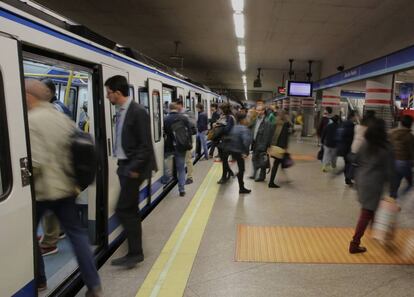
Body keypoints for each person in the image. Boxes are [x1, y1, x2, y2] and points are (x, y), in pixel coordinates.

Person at [25, 79, 102, 296]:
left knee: (26, 236)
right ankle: (94, 284)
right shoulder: (62, 117)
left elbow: (36, 162)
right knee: (77, 236)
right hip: (67, 188)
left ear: (29, 97)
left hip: (42, 192)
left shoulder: (31, 121)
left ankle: (39, 281)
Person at [105, 75, 157, 268]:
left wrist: (133, 169)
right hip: (124, 166)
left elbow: (145, 145)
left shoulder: (137, 111)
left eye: (109, 93)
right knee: (130, 210)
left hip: (133, 169)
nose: (107, 96)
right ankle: (135, 251)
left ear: (118, 93)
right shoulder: (122, 110)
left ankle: (135, 253)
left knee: (123, 209)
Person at [349, 118, 395, 254]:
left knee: (370, 209)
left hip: (361, 180)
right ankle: (354, 244)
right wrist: (392, 189)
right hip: (374, 184)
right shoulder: (386, 148)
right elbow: (389, 170)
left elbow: (355, 159)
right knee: (366, 212)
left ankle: (375, 230)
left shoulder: (365, 143)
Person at [164, 102, 192, 196]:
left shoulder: (165, 119)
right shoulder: (184, 118)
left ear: (169, 109)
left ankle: (167, 177)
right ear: (177, 109)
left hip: (169, 147)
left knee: (165, 163)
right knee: (181, 169)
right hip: (181, 147)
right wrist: (189, 144)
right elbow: (189, 132)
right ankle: (182, 190)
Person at [224, 112, 252, 193]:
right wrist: (246, 152)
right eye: (246, 118)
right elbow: (246, 141)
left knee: (241, 169)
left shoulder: (234, 127)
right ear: (243, 120)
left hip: (233, 150)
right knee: (242, 169)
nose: (247, 119)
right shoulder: (244, 129)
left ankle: (241, 185)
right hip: (239, 151)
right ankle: (241, 187)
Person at [389, 115, 414, 198]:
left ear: (401, 123)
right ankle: (401, 198)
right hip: (404, 162)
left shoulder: (393, 133)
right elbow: (412, 151)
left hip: (393, 161)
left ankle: (392, 198)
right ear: (410, 124)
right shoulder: (410, 136)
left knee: (395, 183)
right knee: (411, 183)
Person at [250, 105, 274, 182]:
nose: (258, 112)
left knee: (262, 160)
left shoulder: (267, 122)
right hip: (255, 143)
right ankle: (254, 174)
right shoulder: (256, 120)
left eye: (260, 110)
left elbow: (267, 136)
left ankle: (261, 176)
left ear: (263, 111)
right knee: (254, 159)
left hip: (261, 144)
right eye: (257, 110)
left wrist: (264, 146)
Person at [268, 110, 290, 188]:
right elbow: (285, 137)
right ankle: (271, 182)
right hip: (280, 148)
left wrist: (270, 145)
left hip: (274, 146)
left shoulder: (275, 123)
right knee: (277, 164)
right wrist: (285, 147)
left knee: (279, 163)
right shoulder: (285, 124)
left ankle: (286, 179)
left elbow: (271, 135)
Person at [176, 100, 196, 184]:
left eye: (177, 106)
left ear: (180, 105)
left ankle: (190, 177)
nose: (176, 108)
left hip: (187, 140)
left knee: (188, 159)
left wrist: (183, 118)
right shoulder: (175, 114)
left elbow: (193, 123)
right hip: (178, 140)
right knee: (180, 160)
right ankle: (180, 177)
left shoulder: (188, 112)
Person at [216, 103, 236, 184]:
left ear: (224, 109)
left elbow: (227, 130)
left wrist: (219, 126)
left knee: (224, 160)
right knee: (223, 159)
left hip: (228, 141)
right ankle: (230, 172)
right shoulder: (226, 117)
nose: (219, 110)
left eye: (220, 109)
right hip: (224, 141)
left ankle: (224, 177)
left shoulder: (230, 118)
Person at [336, 110, 356, 185]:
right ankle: (348, 178)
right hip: (348, 147)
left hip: (342, 146)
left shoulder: (343, 124)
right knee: (349, 163)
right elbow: (351, 137)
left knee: (347, 163)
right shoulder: (351, 125)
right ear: (352, 117)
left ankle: (347, 178)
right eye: (355, 116)